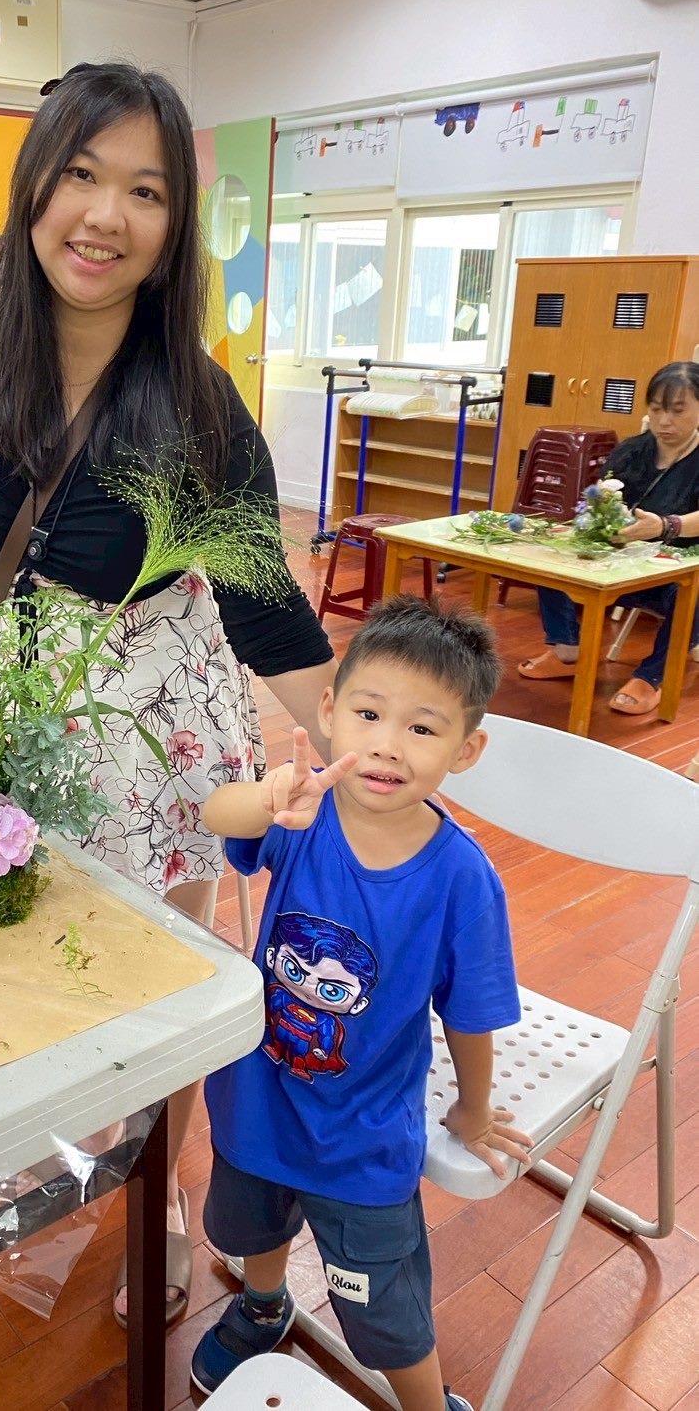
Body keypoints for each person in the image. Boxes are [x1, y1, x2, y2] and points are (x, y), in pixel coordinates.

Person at [0, 61, 337, 1323]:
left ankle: (157, 1196)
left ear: (172, 226)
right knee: (20, 958)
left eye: (145, 190)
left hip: (154, 714)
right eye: (82, 173)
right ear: (35, 184)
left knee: (159, 988)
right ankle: (44, 1157)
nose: (104, 215)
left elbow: (264, 606)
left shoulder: (195, 399)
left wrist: (370, 739)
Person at [192, 596, 532, 1409]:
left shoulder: (461, 877)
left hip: (362, 1137)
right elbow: (214, 815)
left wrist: (473, 1107)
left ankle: (426, 1402)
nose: (386, 743)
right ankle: (264, 1303)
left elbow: (471, 1011)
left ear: (466, 748)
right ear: (329, 711)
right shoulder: (302, 814)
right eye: (369, 713)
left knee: (383, 1311)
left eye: (422, 727)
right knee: (252, 1227)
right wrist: (268, 795)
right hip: (256, 1098)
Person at [519, 361, 699, 716]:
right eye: (656, 409)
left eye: (678, 411)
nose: (664, 421)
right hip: (622, 564)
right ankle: (567, 650)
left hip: (675, 573)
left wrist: (666, 526)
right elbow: (602, 499)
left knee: (695, 588)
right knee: (552, 551)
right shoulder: (631, 451)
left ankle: (652, 677)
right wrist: (600, 517)